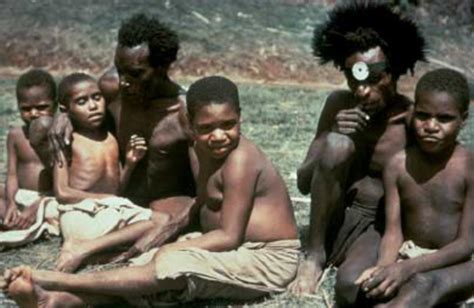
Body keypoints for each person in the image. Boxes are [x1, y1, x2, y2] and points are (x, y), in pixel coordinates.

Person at [3, 76, 300, 307]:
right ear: (192, 127)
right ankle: (58, 303)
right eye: (207, 127)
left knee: (172, 264)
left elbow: (230, 235)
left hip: (267, 259)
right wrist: (166, 235)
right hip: (235, 250)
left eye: (228, 125)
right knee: (147, 263)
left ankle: (56, 281)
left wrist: (173, 248)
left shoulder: (241, 159)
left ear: (241, 118)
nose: (218, 136)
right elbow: (205, 200)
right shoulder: (205, 148)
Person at [288, 2, 426, 306]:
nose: (363, 91)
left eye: (375, 79)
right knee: (338, 145)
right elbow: (303, 181)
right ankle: (314, 256)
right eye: (355, 80)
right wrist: (329, 136)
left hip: (374, 227)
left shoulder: (411, 120)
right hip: (329, 220)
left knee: (351, 286)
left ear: (396, 70)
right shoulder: (338, 104)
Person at [48, 13, 196, 258]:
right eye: (120, 71)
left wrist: (169, 228)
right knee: (42, 126)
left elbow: (207, 189)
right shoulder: (111, 88)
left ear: (162, 67)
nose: (124, 82)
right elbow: (77, 97)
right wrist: (61, 116)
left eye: (135, 74)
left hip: (164, 204)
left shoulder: (184, 113)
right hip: (118, 200)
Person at [354, 69, 474, 307]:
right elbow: (393, 231)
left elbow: (466, 244)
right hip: (410, 255)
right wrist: (385, 268)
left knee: (423, 285)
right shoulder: (397, 165)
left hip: (461, 261)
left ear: (464, 118)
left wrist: (405, 269)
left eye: (444, 118)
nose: (431, 126)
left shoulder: (470, 167)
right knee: (365, 289)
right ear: (412, 113)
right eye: (423, 115)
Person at [51, 73, 159, 272]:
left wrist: (131, 163)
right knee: (154, 224)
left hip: (109, 213)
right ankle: (84, 248)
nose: (92, 106)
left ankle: (96, 253)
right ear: (66, 110)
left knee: (164, 222)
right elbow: (62, 193)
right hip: (80, 214)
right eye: (81, 101)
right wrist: (107, 199)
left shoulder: (111, 138)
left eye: (97, 97)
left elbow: (117, 191)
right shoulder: (66, 140)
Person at [0, 69, 56, 231]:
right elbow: (11, 175)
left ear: (57, 104)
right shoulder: (16, 135)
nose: (33, 114)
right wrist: (11, 202)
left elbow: (67, 183)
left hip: (49, 198)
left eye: (42, 107)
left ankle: (20, 220)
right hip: (20, 195)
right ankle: (13, 216)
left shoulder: (60, 135)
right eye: (26, 109)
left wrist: (38, 204)